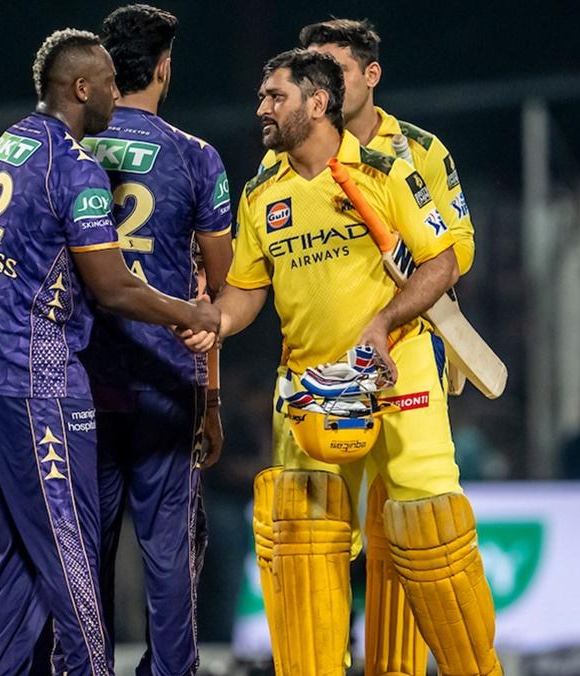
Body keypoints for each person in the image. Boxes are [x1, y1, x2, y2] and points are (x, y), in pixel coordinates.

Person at [190, 49, 501, 675]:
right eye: (262, 96)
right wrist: (215, 320)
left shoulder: (389, 172)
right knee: (300, 541)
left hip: (398, 369)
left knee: (429, 528)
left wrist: (383, 322)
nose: (261, 108)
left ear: (316, 102)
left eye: (275, 96)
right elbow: (248, 288)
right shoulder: (261, 191)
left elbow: (441, 261)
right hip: (311, 384)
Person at [0, 28, 219, 675]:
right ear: (82, 88)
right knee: (70, 549)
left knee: (16, 552)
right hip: (30, 369)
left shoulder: (10, 143)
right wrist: (192, 312)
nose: (118, 94)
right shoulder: (75, 166)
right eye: (110, 84)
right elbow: (113, 286)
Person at [253, 19, 478, 676]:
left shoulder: (417, 150)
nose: (321, 80)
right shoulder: (275, 169)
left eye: (337, 68)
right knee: (306, 535)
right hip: (317, 376)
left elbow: (456, 248)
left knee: (408, 531)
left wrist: (403, 294)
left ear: (369, 75)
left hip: (401, 355)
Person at [80, 5, 232, 673]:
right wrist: (212, 399)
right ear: (164, 68)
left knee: (84, 546)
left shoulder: (69, 150)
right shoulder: (196, 156)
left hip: (82, 376)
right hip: (167, 378)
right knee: (170, 551)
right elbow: (219, 292)